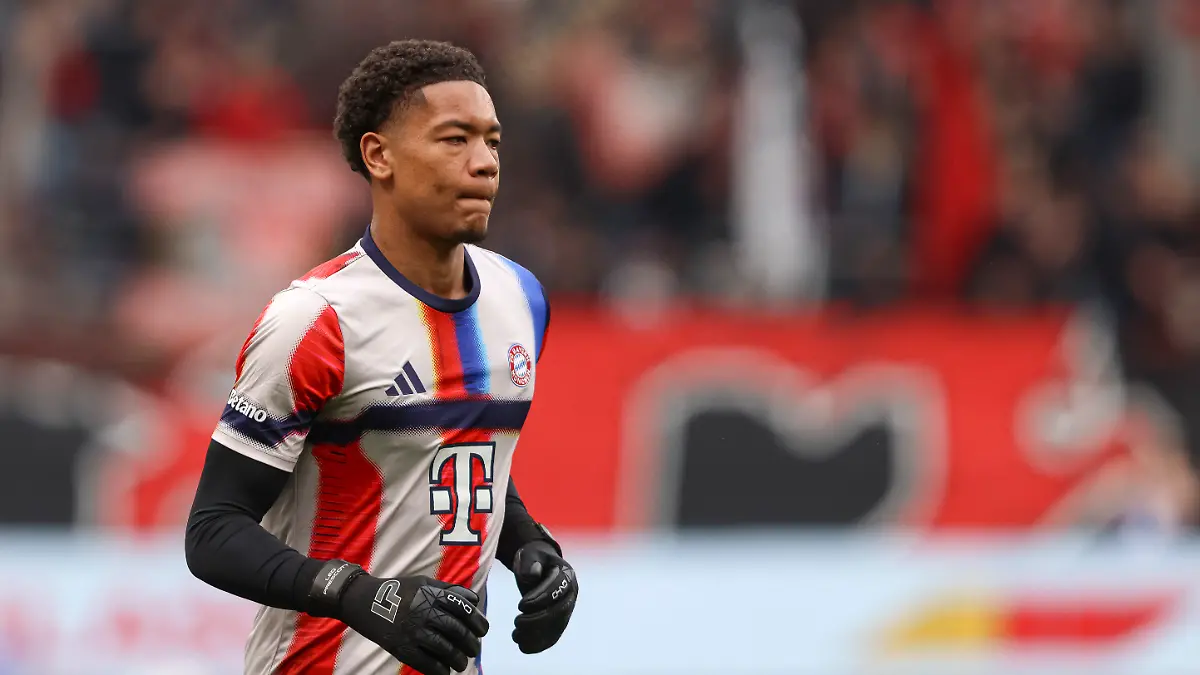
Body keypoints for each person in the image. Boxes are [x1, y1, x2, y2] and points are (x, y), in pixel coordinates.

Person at [184, 40, 579, 675]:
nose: (484, 164)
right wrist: (358, 595)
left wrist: (531, 547)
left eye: (493, 142)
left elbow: (455, 457)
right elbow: (212, 531)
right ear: (379, 156)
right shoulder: (317, 320)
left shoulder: (522, 298)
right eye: (455, 140)